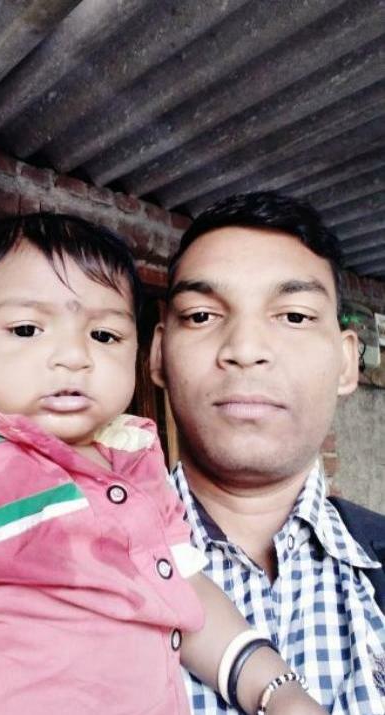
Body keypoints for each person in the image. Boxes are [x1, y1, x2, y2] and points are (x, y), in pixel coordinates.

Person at [0, 213, 326, 715]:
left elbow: (186, 596)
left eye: (104, 335)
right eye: (27, 329)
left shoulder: (139, 471)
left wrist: (276, 688)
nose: (74, 356)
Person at [150, 191, 385, 715]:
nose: (245, 348)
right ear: (159, 354)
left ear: (346, 362)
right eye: (202, 315)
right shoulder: (65, 565)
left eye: (295, 316)